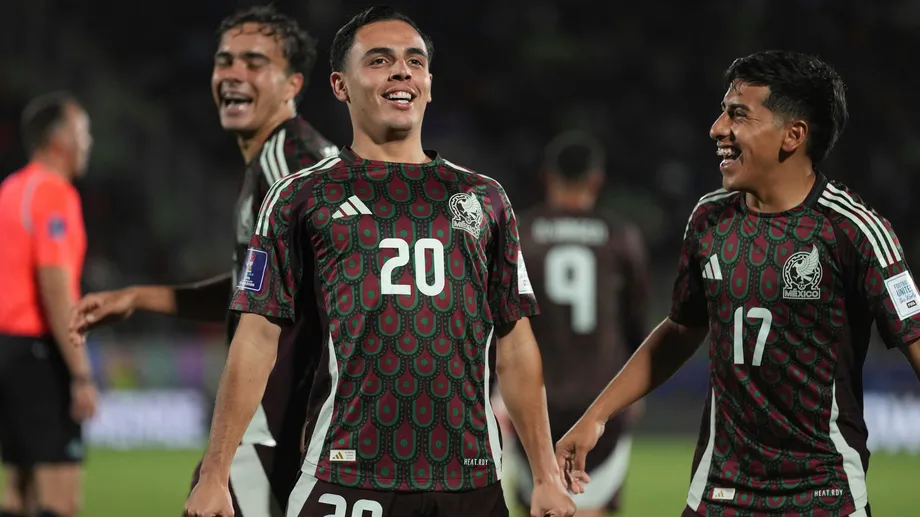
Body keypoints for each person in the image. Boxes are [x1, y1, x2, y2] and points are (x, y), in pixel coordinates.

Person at [184, 6, 576, 518]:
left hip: (471, 483)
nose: (401, 72)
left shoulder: (485, 199)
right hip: (344, 478)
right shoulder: (300, 197)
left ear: (429, 85)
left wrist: (545, 474)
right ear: (340, 85)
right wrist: (215, 474)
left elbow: (516, 344)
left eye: (415, 61)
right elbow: (255, 340)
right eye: (379, 60)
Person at [555, 50, 920, 517]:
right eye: (723, 112)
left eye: (738, 115)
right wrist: (597, 416)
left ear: (793, 135)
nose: (717, 129)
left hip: (823, 495)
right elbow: (681, 329)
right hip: (720, 493)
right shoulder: (710, 219)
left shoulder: (852, 231)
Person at [68, 6, 337, 517]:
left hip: (285, 421)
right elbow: (258, 292)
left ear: (292, 84)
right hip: (291, 422)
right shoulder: (281, 162)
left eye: (255, 62)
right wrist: (138, 298)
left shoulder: (288, 170)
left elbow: (321, 306)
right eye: (225, 60)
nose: (233, 73)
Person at [498, 130, 648, 516]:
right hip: (602, 399)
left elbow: (499, 321)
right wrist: (635, 393)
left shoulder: (521, 233)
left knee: (544, 503)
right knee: (590, 508)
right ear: (596, 179)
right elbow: (636, 324)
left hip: (534, 399)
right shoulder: (620, 238)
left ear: (547, 176)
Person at [0, 92, 96, 517]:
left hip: (7, 352)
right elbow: (55, 290)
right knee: (60, 503)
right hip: (40, 353)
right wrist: (81, 373)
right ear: (59, 140)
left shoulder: (10, 189)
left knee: (17, 495)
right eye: (83, 132)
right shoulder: (55, 193)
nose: (88, 142)